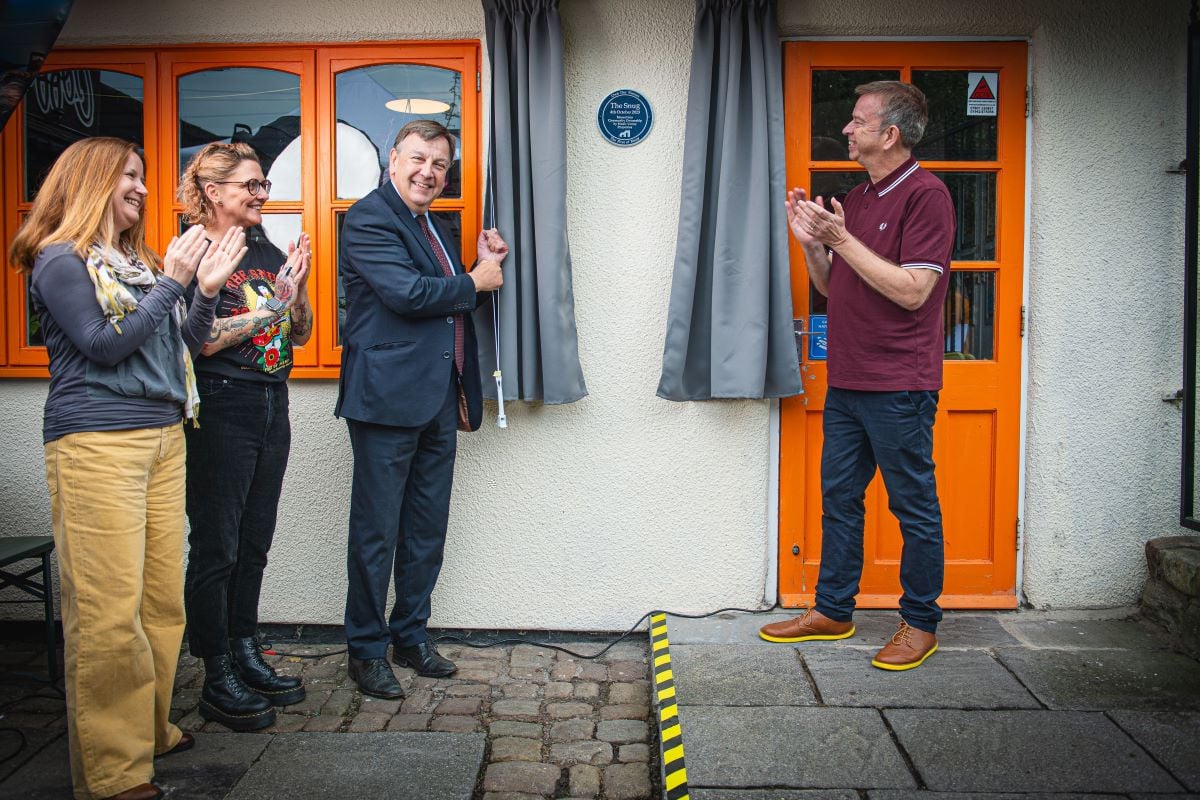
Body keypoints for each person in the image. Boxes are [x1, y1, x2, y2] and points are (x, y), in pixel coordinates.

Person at [9, 137, 245, 800]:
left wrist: (203, 290)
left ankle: (147, 728)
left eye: (143, 175)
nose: (142, 187)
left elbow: (185, 343)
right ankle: (113, 773)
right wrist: (173, 280)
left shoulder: (136, 262)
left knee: (158, 604)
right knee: (108, 614)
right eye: (129, 176)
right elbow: (102, 346)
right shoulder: (61, 260)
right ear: (91, 181)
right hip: (96, 446)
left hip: (163, 438)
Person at [759, 81, 956, 671]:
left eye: (857, 120)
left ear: (889, 134)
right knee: (839, 499)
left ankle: (920, 622)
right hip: (848, 380)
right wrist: (812, 247)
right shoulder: (860, 196)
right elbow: (832, 288)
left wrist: (838, 237)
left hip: (900, 383)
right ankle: (833, 610)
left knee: (912, 505)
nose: (846, 129)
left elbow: (915, 291)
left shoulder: (928, 195)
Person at [335, 119, 507, 698]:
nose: (428, 172)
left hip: (438, 396)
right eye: (417, 159)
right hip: (385, 401)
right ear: (392, 160)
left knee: (426, 528)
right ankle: (365, 650)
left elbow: (440, 293)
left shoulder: (431, 224)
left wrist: (479, 262)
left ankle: (411, 636)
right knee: (377, 532)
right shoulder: (367, 219)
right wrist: (476, 280)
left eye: (439, 164)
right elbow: (406, 295)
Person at [177, 142, 313, 730]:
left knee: (255, 539)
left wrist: (297, 287)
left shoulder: (261, 245)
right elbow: (200, 339)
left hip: (270, 400)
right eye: (251, 185)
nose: (263, 194)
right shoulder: (192, 249)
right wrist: (270, 310)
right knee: (217, 544)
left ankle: (245, 646)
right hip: (221, 406)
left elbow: (300, 333)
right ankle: (216, 671)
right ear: (213, 191)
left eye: (263, 185)